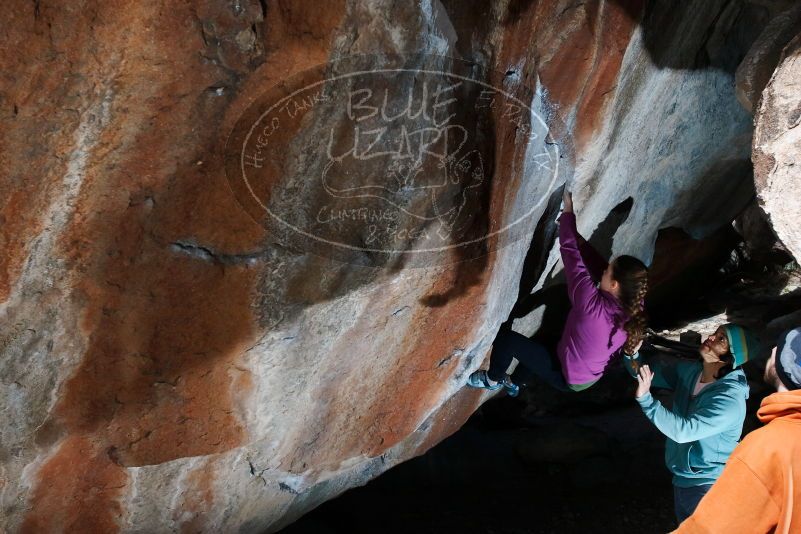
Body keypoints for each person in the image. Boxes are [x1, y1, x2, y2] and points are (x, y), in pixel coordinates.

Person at [467, 189, 649, 395]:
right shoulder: (634, 302)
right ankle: (516, 382)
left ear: (615, 284)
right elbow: (597, 265)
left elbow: (570, 254)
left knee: (507, 341)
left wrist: (568, 212)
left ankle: (493, 379)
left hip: (569, 377)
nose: (604, 270)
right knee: (543, 343)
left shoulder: (591, 305)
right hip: (587, 371)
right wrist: (578, 238)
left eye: (608, 271)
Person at [674, 326, 801, 533]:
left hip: (700, 480)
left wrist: (646, 401)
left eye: (780, 346)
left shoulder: (768, 447)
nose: (773, 349)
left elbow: (713, 528)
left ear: (784, 364)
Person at [634, 323, 760, 525]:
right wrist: (631, 356)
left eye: (721, 339)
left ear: (731, 356)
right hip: (683, 481)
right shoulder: (692, 373)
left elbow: (684, 432)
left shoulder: (729, 399)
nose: (710, 337)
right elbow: (646, 374)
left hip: (710, 486)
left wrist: (648, 402)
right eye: (715, 333)